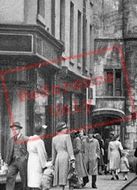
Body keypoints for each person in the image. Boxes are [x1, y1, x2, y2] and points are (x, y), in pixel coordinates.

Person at [5, 122, 28, 190]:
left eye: (16, 129)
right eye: (13, 130)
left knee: (24, 179)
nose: (14, 131)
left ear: (20, 130)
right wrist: (6, 163)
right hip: (12, 162)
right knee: (9, 176)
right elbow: (8, 152)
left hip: (22, 162)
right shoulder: (10, 140)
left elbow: (29, 150)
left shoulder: (25, 138)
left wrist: (25, 158)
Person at [52, 122, 75, 190]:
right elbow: (70, 149)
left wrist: (53, 162)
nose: (66, 129)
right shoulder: (67, 137)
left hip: (58, 158)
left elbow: (53, 153)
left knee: (60, 178)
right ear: (61, 129)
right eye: (65, 128)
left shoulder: (54, 138)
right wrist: (72, 159)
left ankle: (61, 189)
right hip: (65, 157)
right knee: (68, 175)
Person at [27, 125, 48, 190]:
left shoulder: (30, 139)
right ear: (41, 132)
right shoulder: (39, 141)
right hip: (37, 161)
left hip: (31, 160)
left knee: (32, 178)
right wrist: (44, 165)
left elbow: (28, 150)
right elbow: (42, 154)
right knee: (37, 179)